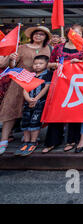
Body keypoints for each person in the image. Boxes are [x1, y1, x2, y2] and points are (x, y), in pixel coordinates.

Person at [0, 26, 52, 155]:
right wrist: (12, 58)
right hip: (20, 82)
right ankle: (4, 139)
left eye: (41, 34)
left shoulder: (49, 49)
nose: (38, 36)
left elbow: (49, 65)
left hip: (39, 84)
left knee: (33, 110)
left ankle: (29, 137)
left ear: (45, 37)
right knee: (11, 109)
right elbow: (11, 65)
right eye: (36, 33)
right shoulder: (22, 48)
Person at [43, 24, 83, 154]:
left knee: (74, 111)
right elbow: (49, 64)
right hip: (59, 83)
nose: (75, 34)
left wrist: (80, 62)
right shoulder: (58, 47)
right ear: (68, 33)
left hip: (76, 85)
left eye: (78, 32)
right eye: (73, 32)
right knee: (56, 110)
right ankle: (52, 141)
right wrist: (55, 65)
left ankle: (72, 140)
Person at [14, 55, 52, 156]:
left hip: (39, 102)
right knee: (25, 122)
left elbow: (46, 87)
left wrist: (36, 98)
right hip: (28, 102)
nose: (37, 66)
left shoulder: (47, 74)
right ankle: (26, 141)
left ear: (46, 64)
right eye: (35, 64)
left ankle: (33, 141)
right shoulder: (30, 75)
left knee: (35, 122)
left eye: (40, 64)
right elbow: (25, 88)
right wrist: (28, 98)